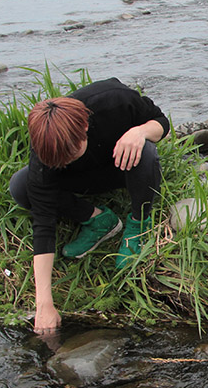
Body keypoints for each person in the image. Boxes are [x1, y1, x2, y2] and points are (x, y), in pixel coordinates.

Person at [9, 78, 170, 335]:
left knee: (147, 153)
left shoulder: (113, 99)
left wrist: (139, 132)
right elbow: (43, 224)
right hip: (81, 181)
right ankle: (97, 220)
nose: (63, 161)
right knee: (20, 186)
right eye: (58, 161)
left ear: (84, 126)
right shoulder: (47, 143)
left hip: (122, 165)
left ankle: (137, 226)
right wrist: (44, 304)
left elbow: (162, 123)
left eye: (70, 154)